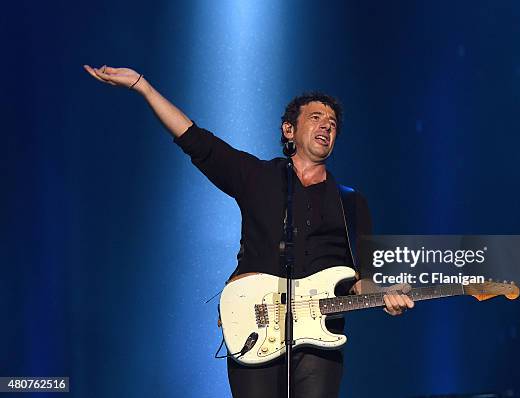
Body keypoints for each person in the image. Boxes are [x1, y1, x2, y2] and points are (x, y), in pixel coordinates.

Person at [83, 64, 414, 398]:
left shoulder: (352, 202)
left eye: (332, 124)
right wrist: (144, 87)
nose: (326, 126)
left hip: (321, 339)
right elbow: (197, 142)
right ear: (289, 130)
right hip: (258, 325)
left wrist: (385, 294)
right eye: (315, 118)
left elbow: (365, 277)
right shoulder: (259, 177)